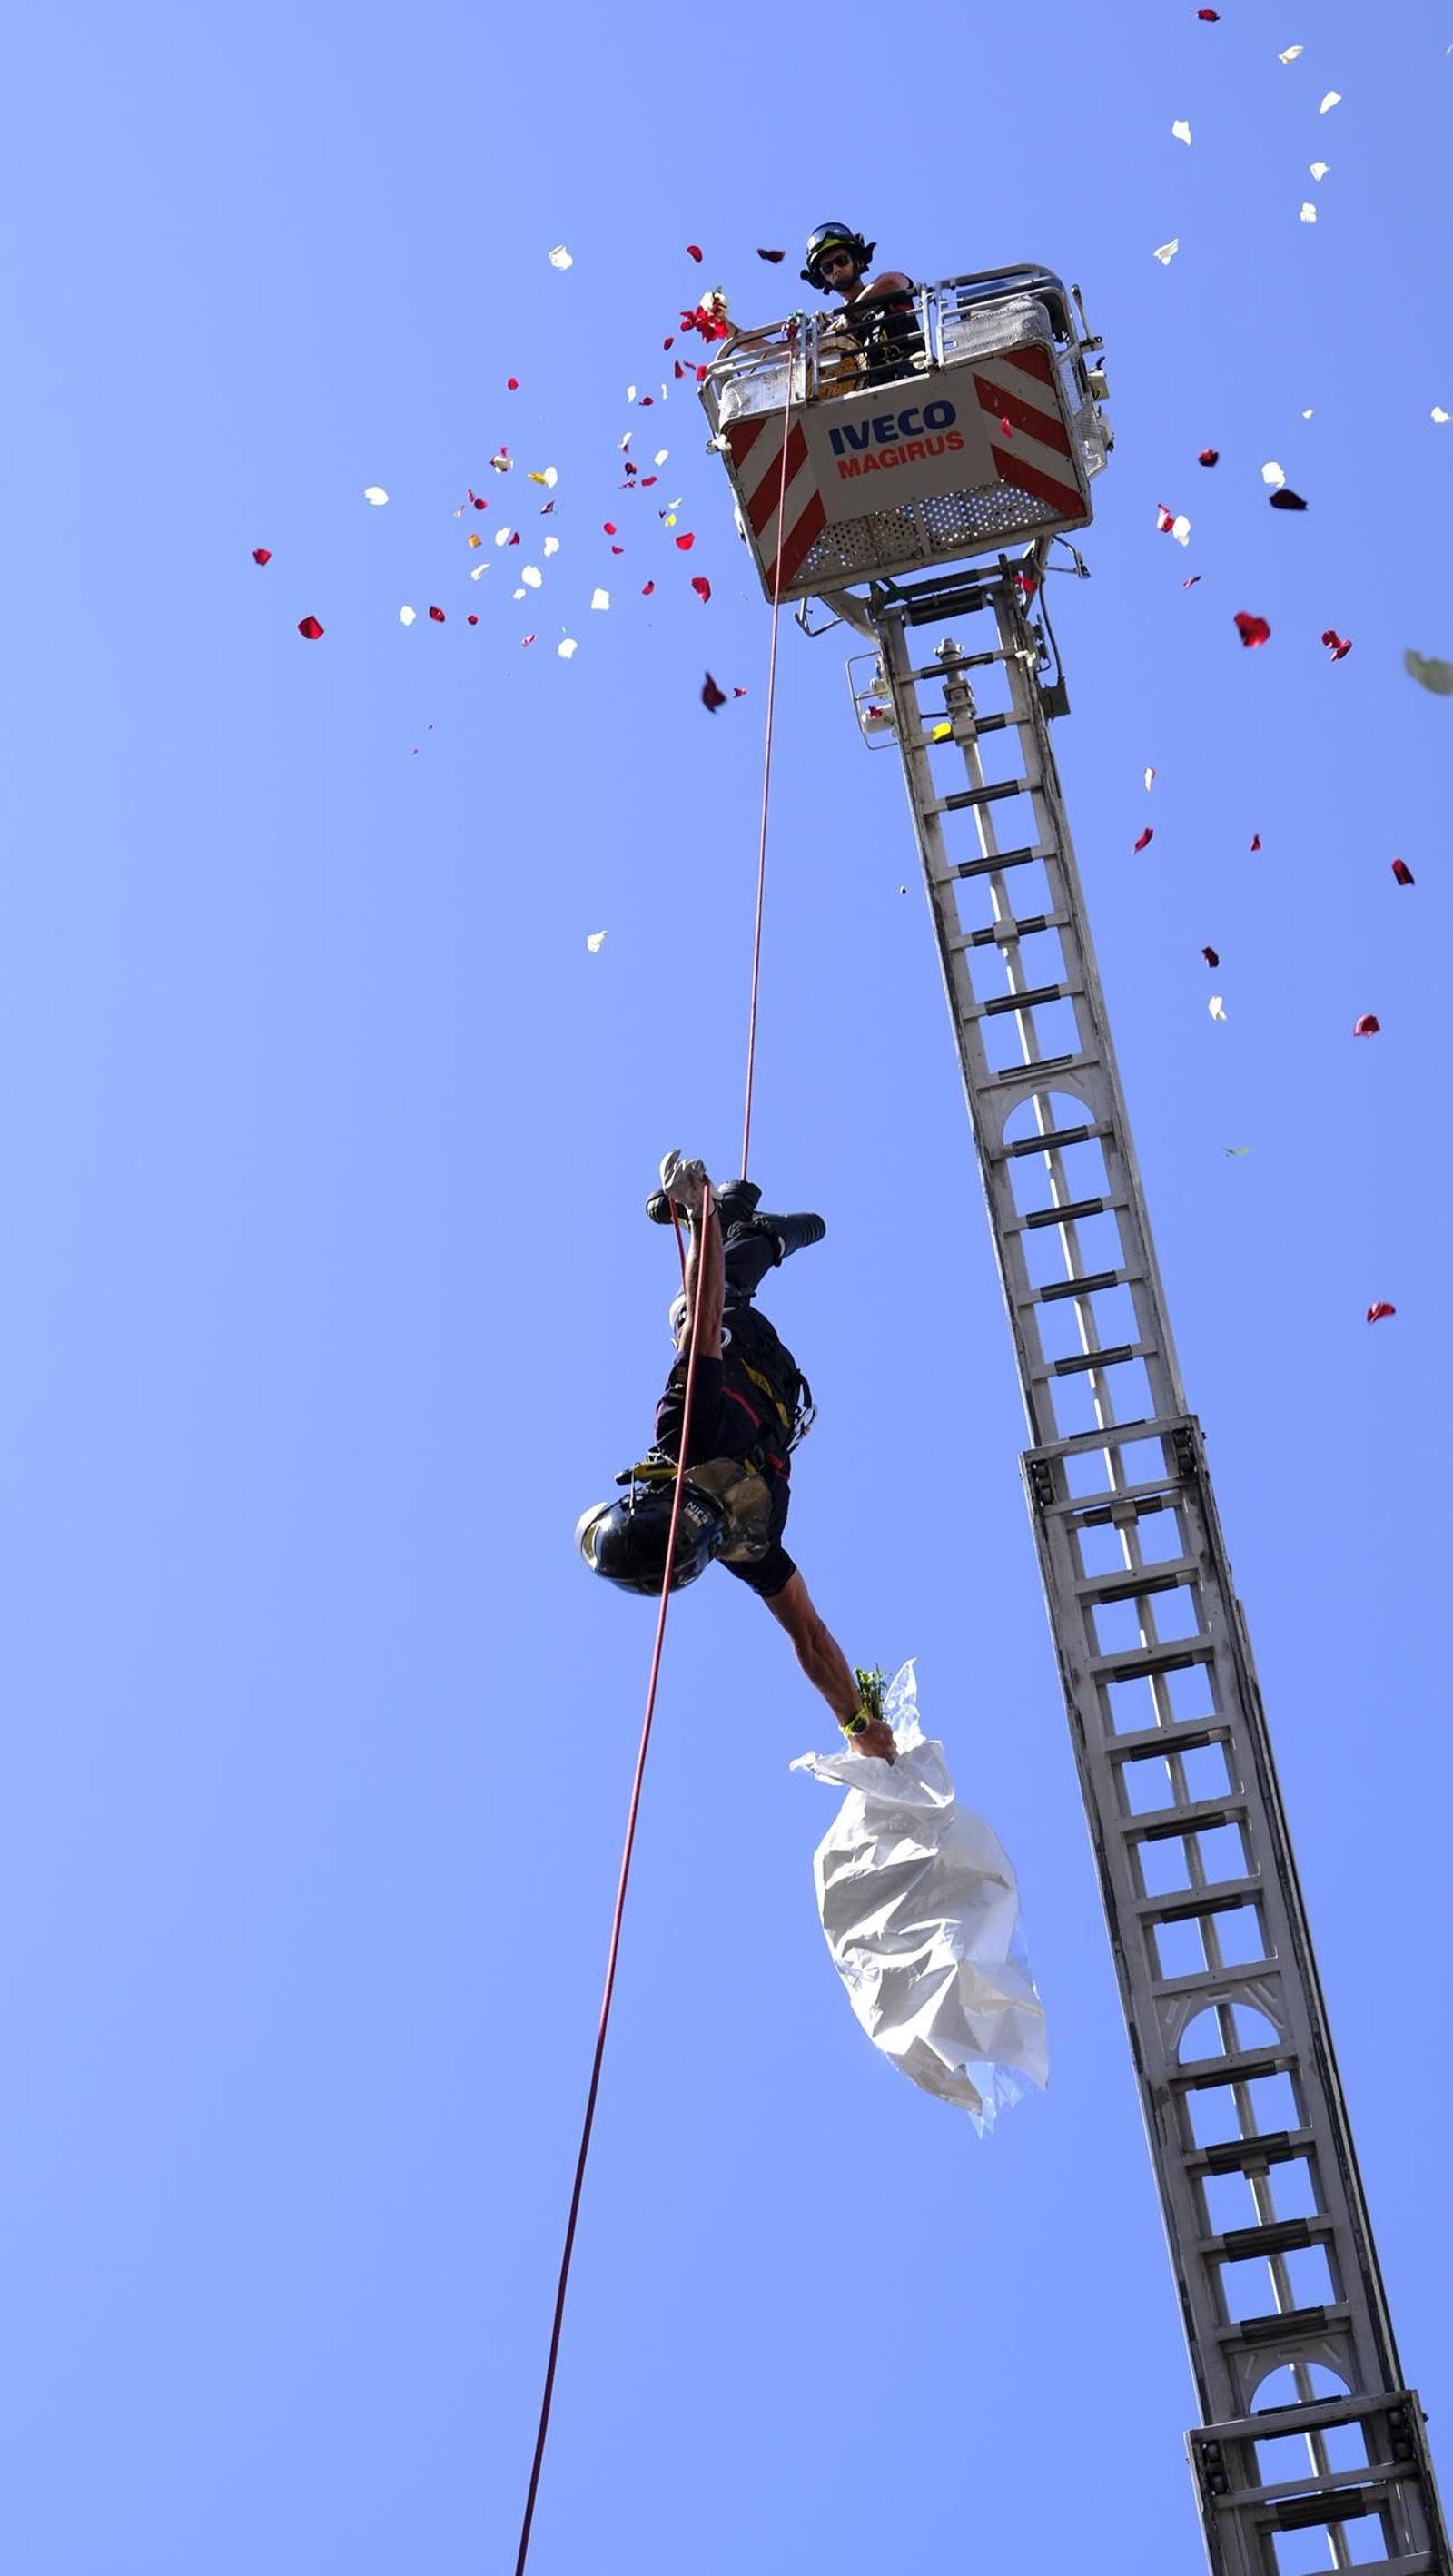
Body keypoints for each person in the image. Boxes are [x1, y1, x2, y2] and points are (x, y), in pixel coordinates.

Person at [575, 1154, 895, 1761]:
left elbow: (809, 1635)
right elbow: (702, 1310)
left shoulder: (744, 1543)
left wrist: (858, 1724)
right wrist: (703, 1218)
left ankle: (756, 1231)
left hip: (767, 1374)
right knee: (693, 1311)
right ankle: (745, 1226)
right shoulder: (686, 1438)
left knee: (710, 1305)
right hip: (738, 1339)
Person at [800, 222, 920, 387]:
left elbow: (892, 281)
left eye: (841, 261)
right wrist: (751, 341)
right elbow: (790, 357)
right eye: (827, 268)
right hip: (868, 399)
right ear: (823, 280)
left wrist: (848, 319)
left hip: (915, 377)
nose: (836, 270)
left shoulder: (889, 291)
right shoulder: (831, 333)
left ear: (859, 262)